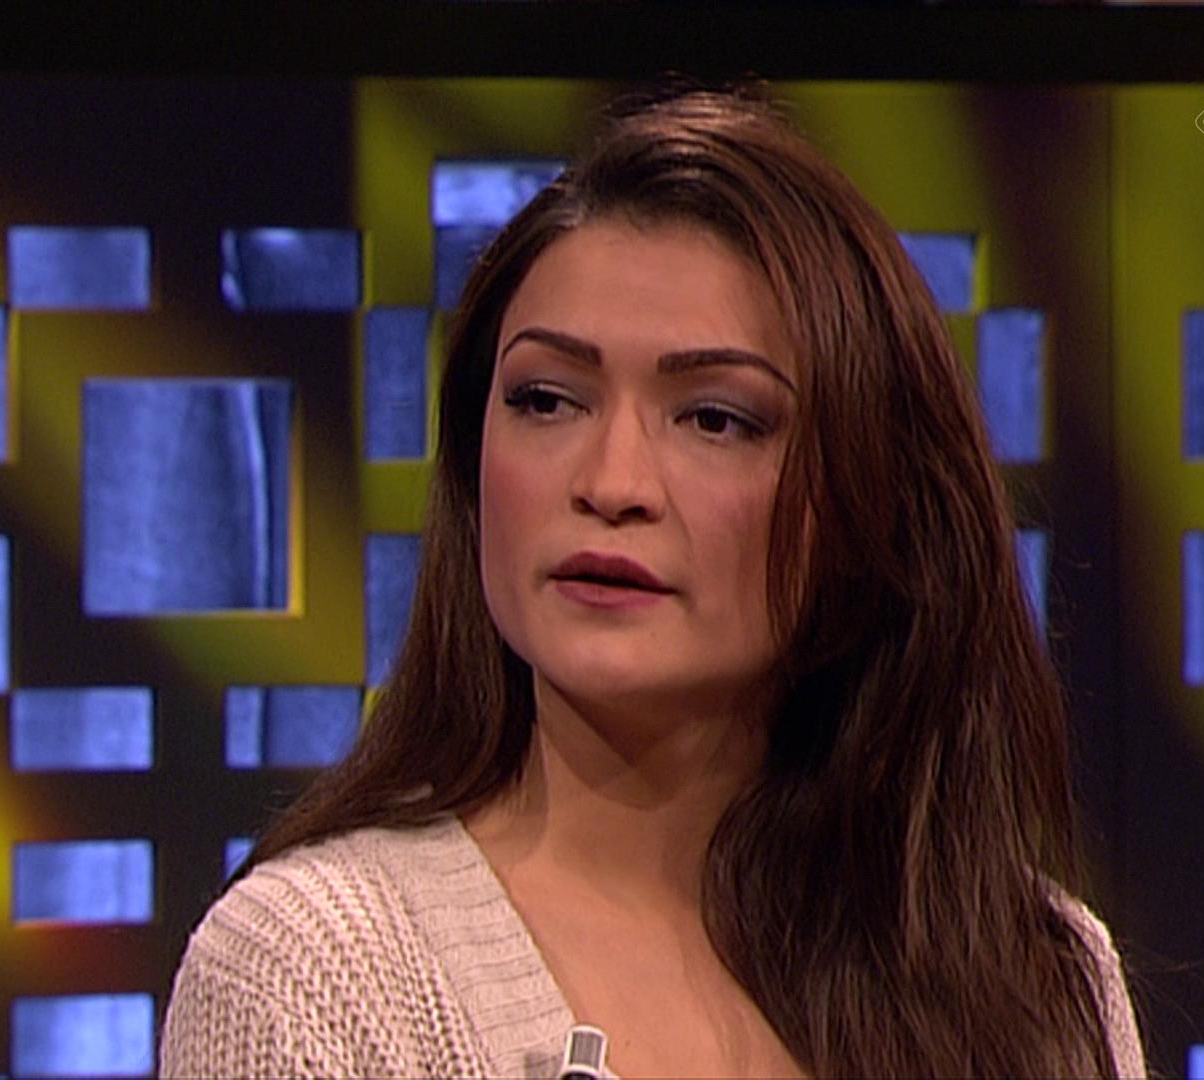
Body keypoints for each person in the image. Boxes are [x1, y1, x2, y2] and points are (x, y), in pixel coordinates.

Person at [160, 83, 1146, 1079]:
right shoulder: (313, 972)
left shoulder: (1033, 975)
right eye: (547, 400)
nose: (611, 484)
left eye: (715, 418)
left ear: (865, 502)